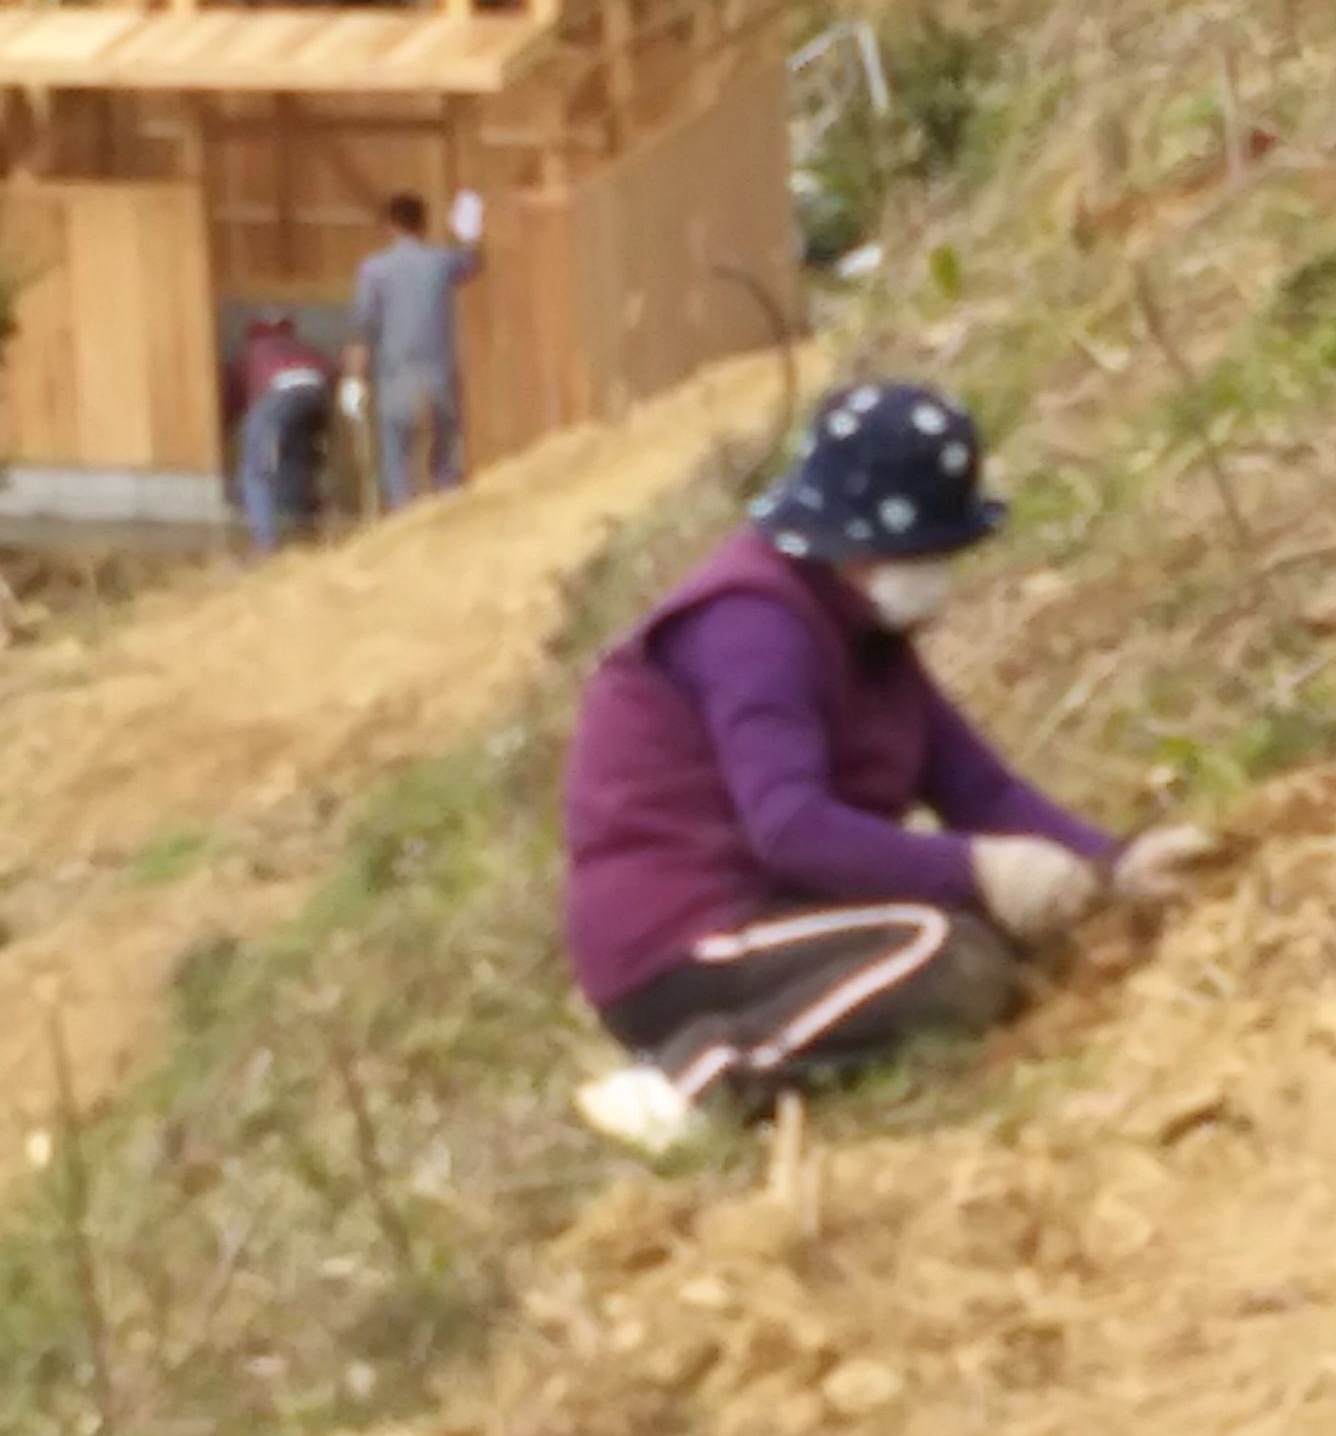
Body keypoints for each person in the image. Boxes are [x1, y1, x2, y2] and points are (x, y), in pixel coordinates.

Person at [562, 379, 1205, 1158]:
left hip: (780, 923)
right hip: (687, 942)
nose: (939, 575)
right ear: (862, 541)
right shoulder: (754, 625)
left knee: (984, 945)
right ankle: (694, 1084)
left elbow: (976, 787)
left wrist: (1114, 863)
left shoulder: (866, 638)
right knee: (939, 949)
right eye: (928, 553)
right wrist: (976, 868)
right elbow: (790, 827)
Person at [347, 188, 484, 508]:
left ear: (390, 226)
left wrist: (354, 377)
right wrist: (469, 226)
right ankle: (448, 497)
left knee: (397, 451)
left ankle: (402, 509)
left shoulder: (374, 269)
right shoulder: (440, 261)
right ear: (423, 224)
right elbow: (473, 260)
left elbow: (364, 325)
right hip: (439, 369)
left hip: (396, 371)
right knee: (445, 447)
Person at [225, 310, 334, 553]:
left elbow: (232, 400)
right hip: (317, 389)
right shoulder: (302, 347)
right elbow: (329, 370)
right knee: (300, 459)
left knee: (255, 471)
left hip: (277, 392)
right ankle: (305, 527)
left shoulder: (249, 353)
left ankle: (265, 544)